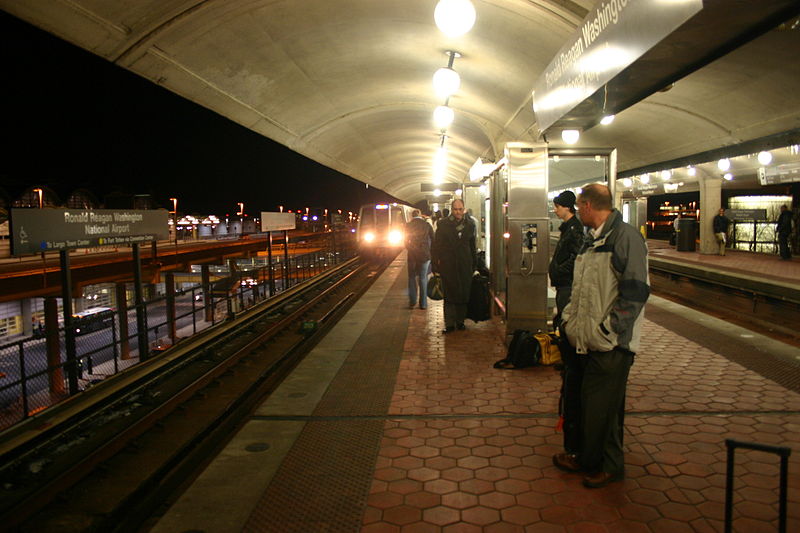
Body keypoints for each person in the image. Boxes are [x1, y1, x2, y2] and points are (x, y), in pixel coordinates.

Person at [552, 183, 650, 488]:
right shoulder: (591, 240)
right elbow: (582, 290)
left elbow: (635, 294)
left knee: (603, 410)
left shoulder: (626, 239)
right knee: (585, 404)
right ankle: (585, 457)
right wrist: (569, 320)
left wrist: (609, 329)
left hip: (611, 344)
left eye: (580, 205)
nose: (578, 209)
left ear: (588, 206)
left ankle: (610, 466)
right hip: (586, 340)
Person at [432, 198, 477, 333]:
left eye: (460, 209)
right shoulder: (443, 224)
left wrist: (474, 264)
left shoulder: (470, 224)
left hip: (464, 263)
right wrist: (435, 265)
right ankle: (450, 324)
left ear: (464, 209)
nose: (458, 212)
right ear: (452, 210)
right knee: (450, 295)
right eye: (456, 209)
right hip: (448, 264)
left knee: (463, 293)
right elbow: (436, 246)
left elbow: (472, 246)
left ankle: (460, 321)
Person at [548, 190, 583, 328]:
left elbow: (577, 256)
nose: (555, 210)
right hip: (563, 283)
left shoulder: (574, 228)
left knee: (565, 319)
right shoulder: (568, 227)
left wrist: (559, 270)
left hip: (567, 283)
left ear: (567, 207)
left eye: (558, 207)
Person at [405, 209, 434, 309]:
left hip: (412, 256)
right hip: (425, 255)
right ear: (420, 215)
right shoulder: (426, 225)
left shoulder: (408, 225)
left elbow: (405, 241)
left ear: (412, 216)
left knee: (411, 277)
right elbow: (433, 239)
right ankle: (423, 304)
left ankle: (412, 301)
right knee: (423, 278)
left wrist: (411, 249)